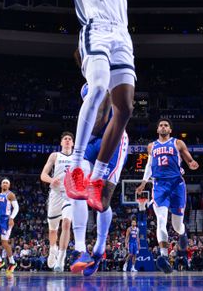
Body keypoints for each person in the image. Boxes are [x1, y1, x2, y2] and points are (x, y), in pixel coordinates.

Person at [27, 0, 136, 212]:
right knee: (100, 86)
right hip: (96, 31)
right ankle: (76, 165)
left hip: (122, 36)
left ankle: (98, 177)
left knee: (126, 109)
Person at [69, 81, 129, 277]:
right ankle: (80, 249)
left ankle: (99, 247)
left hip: (114, 139)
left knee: (101, 203)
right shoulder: (88, 82)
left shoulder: (111, 81)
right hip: (91, 137)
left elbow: (103, 117)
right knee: (77, 186)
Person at [136, 118, 199, 273]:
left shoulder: (177, 143)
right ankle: (163, 257)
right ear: (157, 129)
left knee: (177, 226)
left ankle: (183, 233)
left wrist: (191, 163)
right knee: (161, 220)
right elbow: (149, 164)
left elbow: (188, 158)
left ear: (170, 130)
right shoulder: (151, 146)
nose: (163, 127)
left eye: (166, 125)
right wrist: (144, 182)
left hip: (176, 184)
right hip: (159, 185)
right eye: (161, 125)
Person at [40, 131, 75, 271]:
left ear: (73, 143)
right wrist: (51, 180)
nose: (67, 140)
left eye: (69, 139)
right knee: (53, 229)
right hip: (55, 194)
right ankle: (52, 249)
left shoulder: (77, 157)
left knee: (66, 224)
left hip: (69, 194)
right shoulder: (55, 155)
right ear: (61, 143)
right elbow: (43, 175)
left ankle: (61, 257)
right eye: (65, 138)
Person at [0, 178, 19, 274]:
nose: (5, 184)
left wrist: (11, 218)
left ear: (9, 186)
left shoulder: (10, 194)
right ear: (1, 185)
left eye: (7, 183)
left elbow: (16, 207)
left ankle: (12, 262)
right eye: (3, 183)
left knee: (4, 243)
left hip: (6, 220)